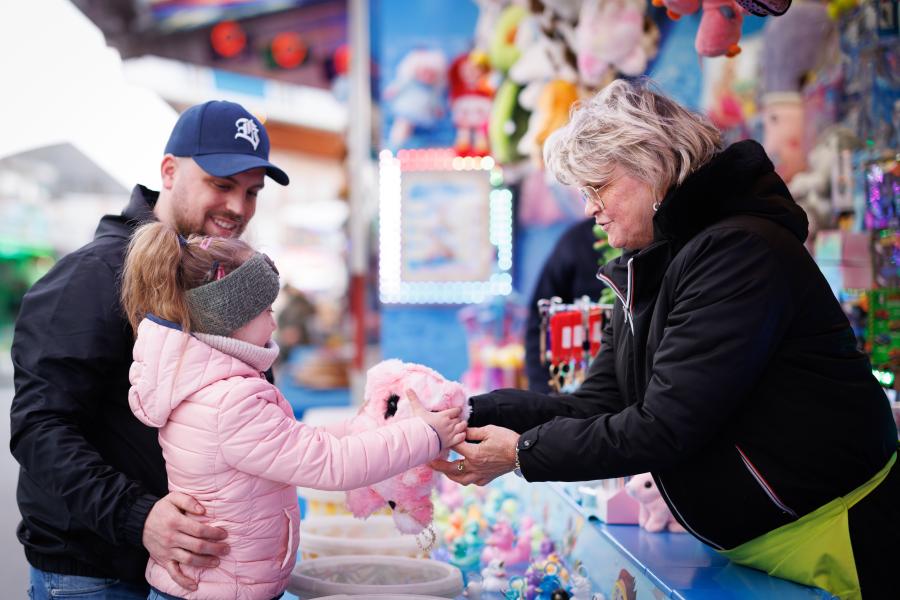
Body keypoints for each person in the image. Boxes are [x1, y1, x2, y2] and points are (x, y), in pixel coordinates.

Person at [433, 79, 898, 598]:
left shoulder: (739, 253)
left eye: (598, 187)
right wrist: (470, 413)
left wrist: (522, 454)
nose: (590, 209)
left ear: (651, 166)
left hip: (845, 533)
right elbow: (599, 403)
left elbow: (667, 424)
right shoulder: (651, 266)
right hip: (769, 545)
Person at [10, 100, 290, 599]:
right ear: (169, 171)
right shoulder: (92, 275)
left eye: (251, 192)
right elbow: (39, 428)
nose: (238, 208)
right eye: (221, 184)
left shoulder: (215, 275)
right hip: (94, 574)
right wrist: (138, 515)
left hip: (192, 572)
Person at [121, 223, 466, 600]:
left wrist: (360, 426)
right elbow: (333, 464)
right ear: (230, 319)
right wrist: (428, 434)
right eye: (267, 310)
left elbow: (293, 440)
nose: (275, 322)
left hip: (217, 585)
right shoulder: (230, 401)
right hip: (222, 591)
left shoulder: (209, 386)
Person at [524, 218, 611, 393]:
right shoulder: (575, 242)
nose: (592, 207)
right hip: (576, 388)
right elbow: (539, 320)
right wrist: (542, 391)